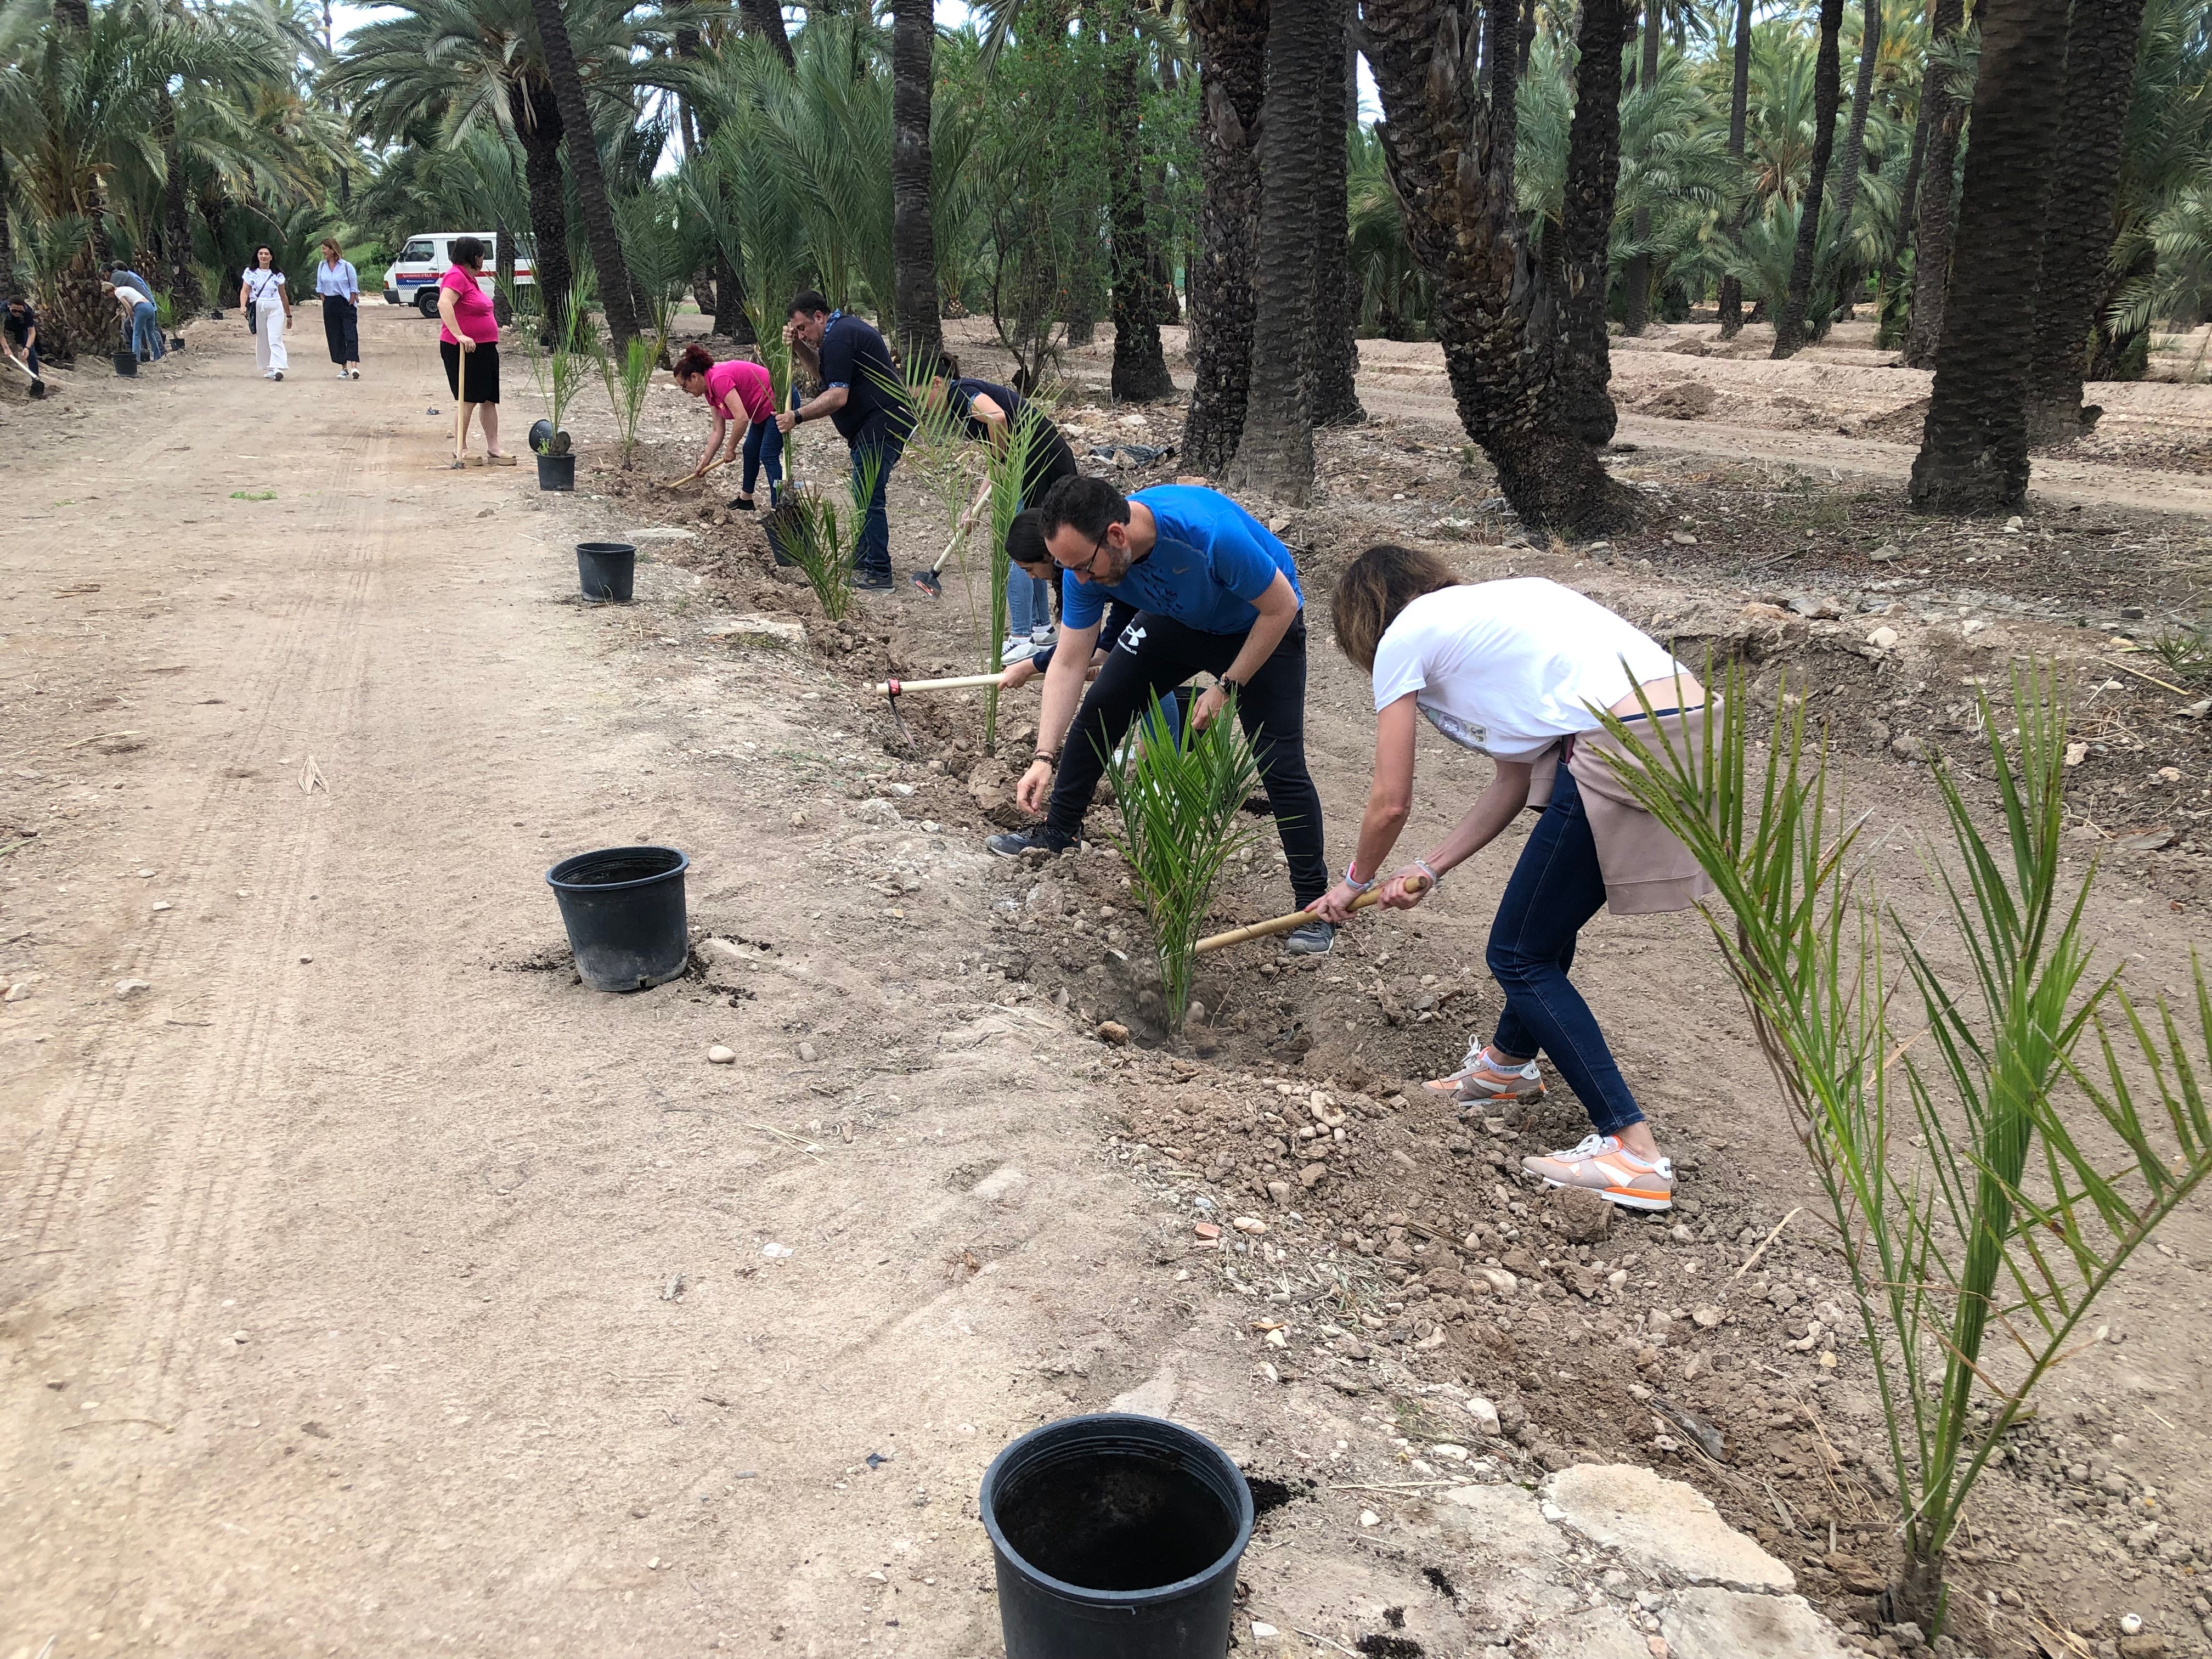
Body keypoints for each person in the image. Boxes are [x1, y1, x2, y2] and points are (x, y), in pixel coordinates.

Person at [1310, 548, 1714, 1212]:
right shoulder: (1498, 612)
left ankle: (1634, 1153)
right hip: (1693, 726)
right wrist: (1430, 868)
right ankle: (1505, 1067)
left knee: (1517, 954)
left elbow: (1391, 800)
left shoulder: (1404, 637)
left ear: (1363, 618)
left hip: (1626, 737)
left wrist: (1354, 881)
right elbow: (1513, 781)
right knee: (1542, 931)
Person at [989, 476, 1331, 952]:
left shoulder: (1209, 535)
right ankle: (1059, 831)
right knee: (1102, 709)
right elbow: (1069, 662)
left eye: (1083, 567)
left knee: (1280, 763)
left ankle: (1314, 907)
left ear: (1116, 535)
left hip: (1259, 624)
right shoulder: (1082, 562)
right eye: (1067, 568)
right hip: (1177, 620)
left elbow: (1282, 606)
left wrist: (1227, 686)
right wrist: (1044, 756)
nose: (1079, 580)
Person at [924, 360, 1081, 663]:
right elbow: (996, 457)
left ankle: (1021, 637)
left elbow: (997, 419)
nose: (922, 408)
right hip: (1042, 459)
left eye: (920, 398)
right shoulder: (960, 404)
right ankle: (1041, 629)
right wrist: (975, 505)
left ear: (937, 383)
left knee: (1018, 547)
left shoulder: (959, 393)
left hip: (1039, 464)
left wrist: (1002, 461)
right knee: (1034, 543)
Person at [778, 291, 909, 590]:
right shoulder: (839, 334)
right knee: (864, 493)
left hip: (882, 424)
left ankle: (879, 572)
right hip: (874, 426)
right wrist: (798, 346)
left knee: (869, 496)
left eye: (803, 328)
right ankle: (864, 558)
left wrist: (797, 416)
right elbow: (823, 375)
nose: (802, 334)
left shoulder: (840, 337)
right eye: (797, 330)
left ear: (819, 316)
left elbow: (837, 396)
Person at [436, 236, 513, 466]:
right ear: (475, 257)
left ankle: (494, 447)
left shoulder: (470, 280)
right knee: (468, 398)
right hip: (463, 348)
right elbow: (444, 303)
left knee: (489, 398)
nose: (483, 260)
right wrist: (459, 334)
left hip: (485, 347)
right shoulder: (456, 276)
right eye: (481, 256)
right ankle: (460, 447)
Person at [672, 343, 780, 507]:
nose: (686, 391)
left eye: (684, 387)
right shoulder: (709, 390)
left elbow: (741, 418)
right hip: (761, 410)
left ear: (694, 377)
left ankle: (780, 508)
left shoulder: (718, 380)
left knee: (768, 455)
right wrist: (705, 462)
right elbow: (718, 429)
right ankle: (745, 500)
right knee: (750, 449)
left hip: (778, 402)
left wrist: (730, 448)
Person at [240, 246, 291, 380]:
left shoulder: (277, 275)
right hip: (259, 306)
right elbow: (245, 290)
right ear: (257, 256)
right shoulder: (250, 272)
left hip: (275, 306)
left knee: (275, 337)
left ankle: (278, 368)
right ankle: (269, 368)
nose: (264, 256)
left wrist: (288, 314)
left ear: (271, 257)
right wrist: (243, 306)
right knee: (263, 338)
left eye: (267, 254)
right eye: (261, 254)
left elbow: (283, 295)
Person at [314, 239, 362, 379]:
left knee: (350, 334)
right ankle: (344, 367)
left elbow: (354, 288)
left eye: (325, 248)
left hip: (345, 303)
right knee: (335, 335)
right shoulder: (322, 266)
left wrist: (351, 302)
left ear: (332, 249)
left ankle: (354, 366)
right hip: (330, 303)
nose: (323, 251)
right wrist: (325, 301)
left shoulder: (347, 266)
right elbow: (320, 286)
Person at [105, 279, 162, 363]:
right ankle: (158, 356)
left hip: (141, 308)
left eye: (107, 294)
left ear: (110, 291)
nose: (109, 297)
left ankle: (136, 359)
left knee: (136, 335)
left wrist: (132, 320)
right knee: (150, 334)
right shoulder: (125, 288)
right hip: (149, 307)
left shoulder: (118, 292)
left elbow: (128, 307)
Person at [3, 295, 39, 379]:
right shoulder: (2, 309)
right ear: (8, 306)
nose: (17, 313)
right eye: (14, 310)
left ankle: (36, 379)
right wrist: (6, 348)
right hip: (5, 325)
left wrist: (27, 348)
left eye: (20, 312)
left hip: (21, 327)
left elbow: (32, 332)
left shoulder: (28, 311)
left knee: (31, 353)